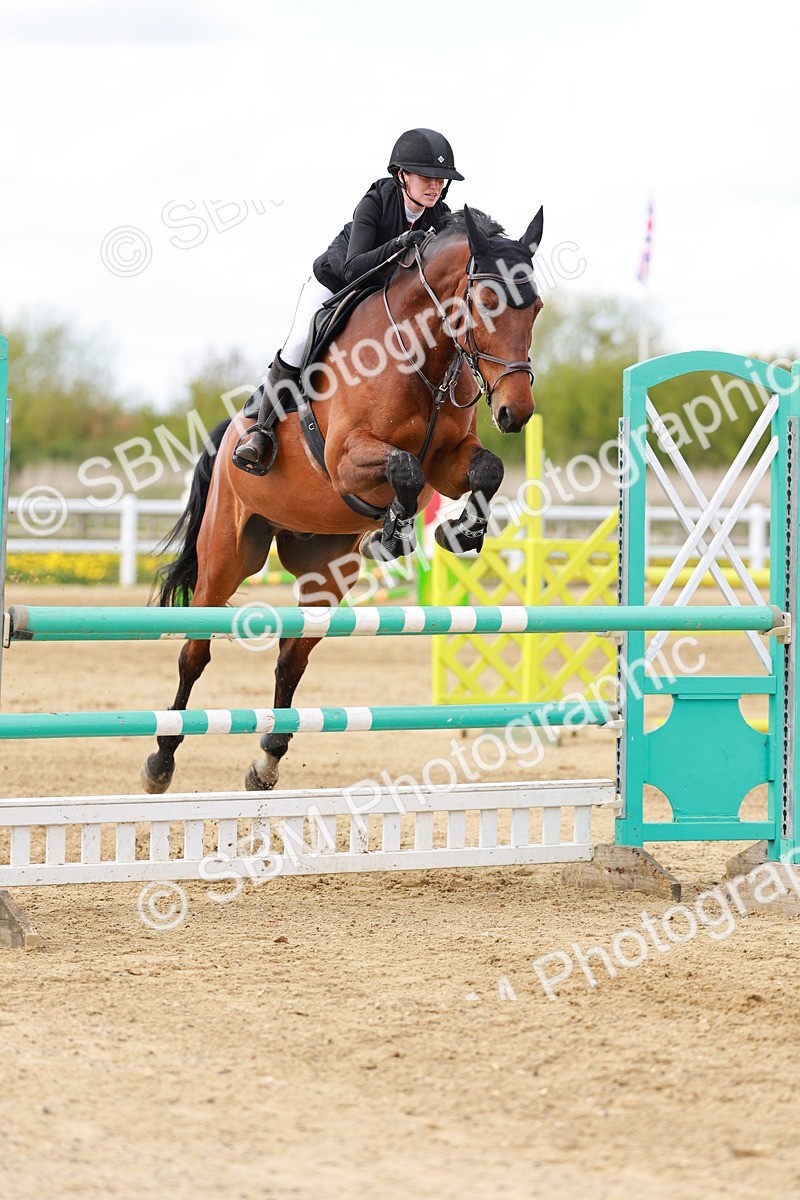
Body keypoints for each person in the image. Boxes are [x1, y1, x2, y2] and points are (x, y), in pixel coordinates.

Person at [232, 128, 464, 472]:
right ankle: (261, 432)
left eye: (441, 180)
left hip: (383, 294)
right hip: (337, 281)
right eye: (427, 177)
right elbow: (354, 267)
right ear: (402, 175)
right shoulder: (375, 202)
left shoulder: (439, 216)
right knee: (298, 342)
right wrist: (398, 243)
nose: (436, 186)